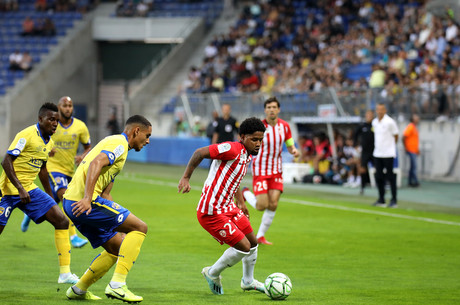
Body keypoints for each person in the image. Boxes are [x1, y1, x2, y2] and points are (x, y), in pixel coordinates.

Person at [63, 115, 152, 302]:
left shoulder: (114, 143)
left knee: (118, 247)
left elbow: (105, 192)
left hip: (72, 203)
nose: (148, 140)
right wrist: (87, 198)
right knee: (140, 227)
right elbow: (96, 163)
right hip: (84, 202)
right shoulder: (119, 143)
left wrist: (120, 222)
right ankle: (117, 286)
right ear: (136, 131)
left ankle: (78, 289)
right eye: (147, 135)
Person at [178, 117, 266, 295]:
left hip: (228, 207)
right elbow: (200, 152)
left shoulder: (246, 156)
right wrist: (186, 177)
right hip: (211, 211)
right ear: (242, 137)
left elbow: (234, 178)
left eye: (260, 140)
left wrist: (240, 201)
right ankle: (212, 273)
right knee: (244, 247)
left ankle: (248, 281)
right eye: (254, 139)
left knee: (253, 242)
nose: (258, 144)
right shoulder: (232, 148)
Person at [0, 102, 79, 285]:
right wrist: (19, 188)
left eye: (57, 121)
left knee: (62, 221)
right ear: (40, 119)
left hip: (29, 190)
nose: (55, 124)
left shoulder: (49, 142)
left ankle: (65, 274)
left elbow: (43, 170)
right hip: (7, 191)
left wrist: (49, 195)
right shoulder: (26, 135)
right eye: (51, 119)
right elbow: (6, 161)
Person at [20, 96, 92, 249]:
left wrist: (83, 156)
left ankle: (29, 213)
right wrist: (47, 146)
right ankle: (73, 237)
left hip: (69, 170)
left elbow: (88, 147)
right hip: (53, 167)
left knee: (53, 199)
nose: (68, 108)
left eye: (70, 105)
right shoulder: (52, 124)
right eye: (65, 105)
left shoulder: (80, 126)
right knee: (65, 195)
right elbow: (39, 137)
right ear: (59, 107)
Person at [240, 97, 299, 245]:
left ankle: (260, 236)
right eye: (268, 107)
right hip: (260, 170)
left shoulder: (284, 126)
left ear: (278, 109)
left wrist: (293, 150)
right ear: (265, 110)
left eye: (274, 107)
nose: (271, 110)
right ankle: (245, 192)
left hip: (276, 170)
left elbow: (289, 142)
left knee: (273, 204)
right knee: (261, 206)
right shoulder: (259, 127)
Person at [372, 103, 399, 208]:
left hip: (388, 154)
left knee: (390, 177)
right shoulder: (375, 122)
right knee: (379, 176)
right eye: (378, 109)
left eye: (381, 109)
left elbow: (396, 135)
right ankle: (381, 199)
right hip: (377, 153)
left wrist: (390, 147)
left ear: (385, 110)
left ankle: (394, 199)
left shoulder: (390, 122)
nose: (379, 111)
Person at [354, 109, 375, 194]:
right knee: (362, 169)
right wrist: (355, 146)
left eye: (370, 115)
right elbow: (355, 135)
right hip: (365, 151)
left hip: (375, 151)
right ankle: (362, 187)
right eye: (368, 115)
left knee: (378, 169)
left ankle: (382, 186)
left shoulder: (376, 125)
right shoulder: (362, 126)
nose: (369, 116)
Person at [403, 114, 420, 187]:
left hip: (414, 150)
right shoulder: (410, 127)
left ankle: (410, 181)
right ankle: (415, 181)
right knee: (414, 166)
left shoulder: (414, 127)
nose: (418, 118)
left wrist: (417, 150)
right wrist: (406, 147)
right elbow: (404, 136)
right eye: (416, 117)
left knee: (412, 166)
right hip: (410, 150)